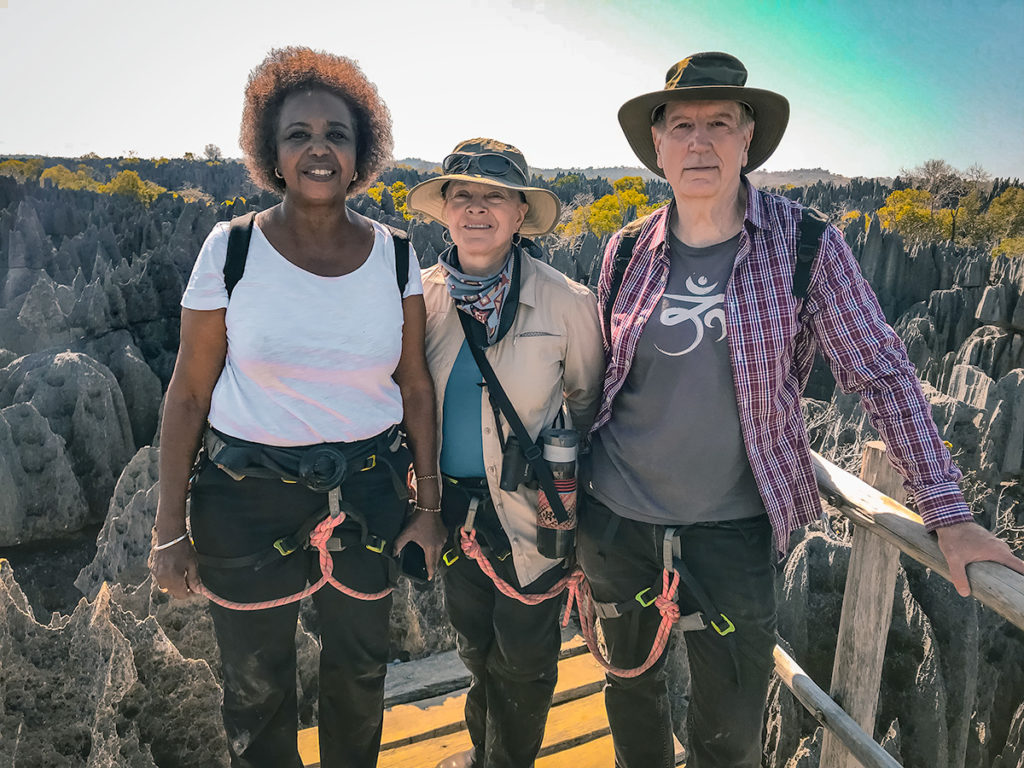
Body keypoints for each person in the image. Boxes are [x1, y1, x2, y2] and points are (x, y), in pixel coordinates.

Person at [579, 51, 1024, 768]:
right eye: (682, 125)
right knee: (629, 694)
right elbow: (593, 384)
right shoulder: (625, 250)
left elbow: (881, 373)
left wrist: (951, 514)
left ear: (747, 138)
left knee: (728, 731)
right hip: (614, 523)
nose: (700, 141)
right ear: (657, 144)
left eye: (719, 123)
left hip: (732, 535)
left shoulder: (807, 244)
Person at [149, 47, 445, 768]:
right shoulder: (233, 250)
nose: (319, 148)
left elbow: (413, 387)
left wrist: (428, 505)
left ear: (360, 153)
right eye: (299, 134)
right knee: (257, 693)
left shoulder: (397, 256)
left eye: (337, 134)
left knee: (360, 676)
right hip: (245, 499)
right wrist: (168, 527)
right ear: (271, 154)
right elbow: (189, 393)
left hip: (368, 494)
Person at [405, 139, 604, 768]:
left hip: (532, 509)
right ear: (443, 210)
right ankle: (483, 753)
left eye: (495, 196)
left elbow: (592, 405)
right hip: (454, 508)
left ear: (521, 213)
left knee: (524, 659)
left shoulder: (565, 301)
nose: (476, 208)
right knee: (473, 647)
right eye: (462, 195)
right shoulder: (423, 297)